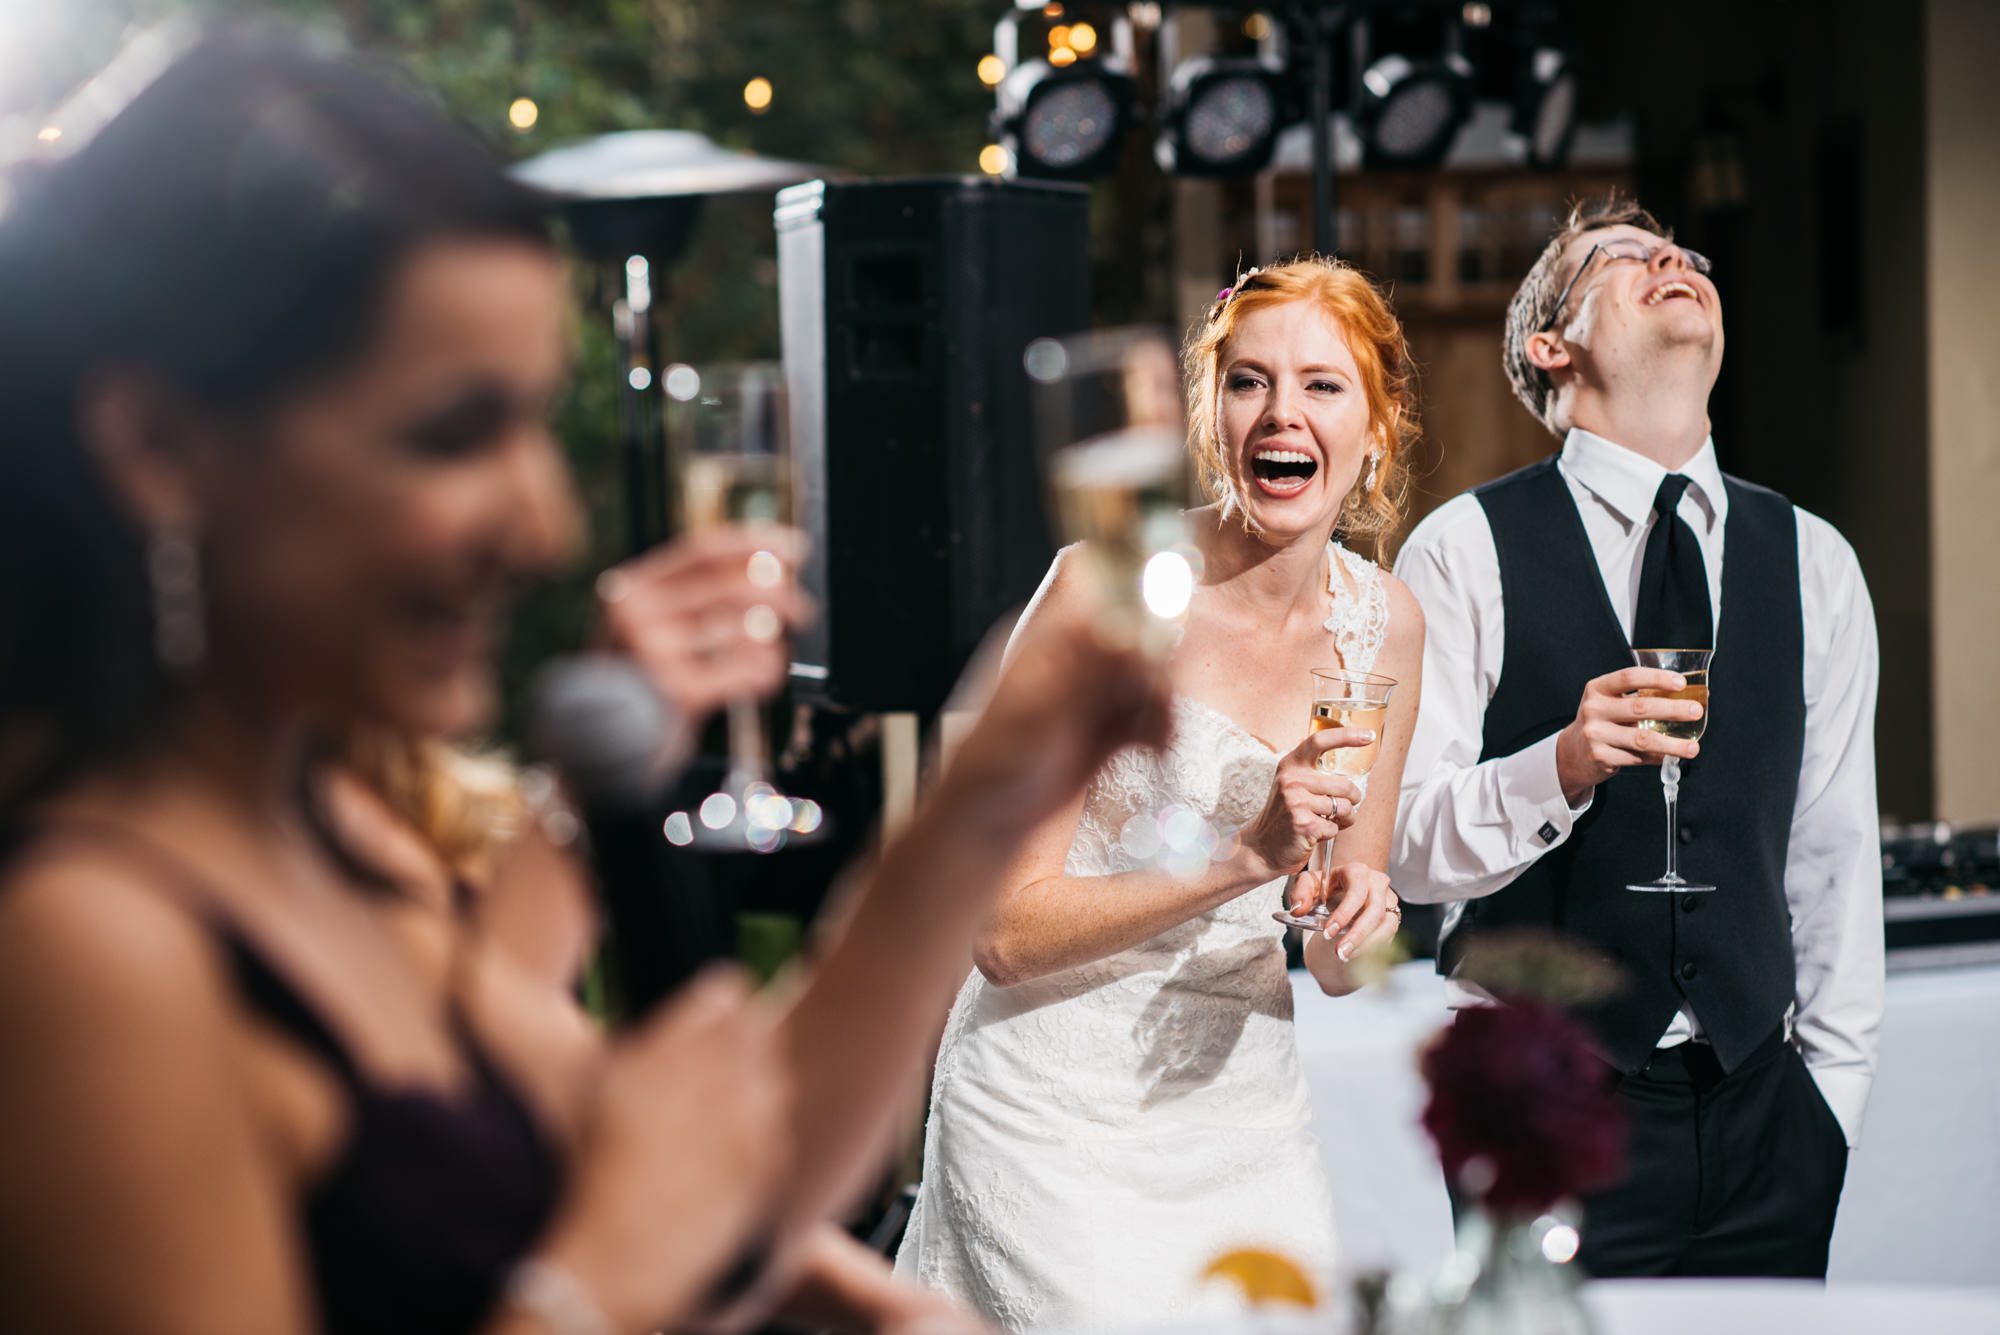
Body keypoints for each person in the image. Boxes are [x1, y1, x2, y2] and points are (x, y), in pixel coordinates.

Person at [0, 27, 1168, 1334]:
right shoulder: (79, 944)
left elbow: (739, 1167)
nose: (547, 526)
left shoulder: (331, 830)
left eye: (535, 426)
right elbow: (647, 1217)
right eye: (453, 434)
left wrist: (988, 792)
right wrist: (601, 1271)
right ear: (158, 442)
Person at [896, 257, 1427, 1329]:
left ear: (1375, 426)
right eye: (1247, 381)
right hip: (1045, 1110)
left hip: (1243, 1115)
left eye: (1322, 385)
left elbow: (1338, 941)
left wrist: (1360, 924)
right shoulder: (1104, 591)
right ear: (1209, 413)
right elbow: (999, 932)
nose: (1282, 412)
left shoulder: (1390, 625)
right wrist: (1238, 858)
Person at [1390, 197, 1883, 1277]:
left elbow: (1832, 853)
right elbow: (1407, 855)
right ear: (1547, 346)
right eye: (1616, 260)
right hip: (1544, 1114)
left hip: (1767, 1120)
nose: (1670, 258)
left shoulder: (1814, 563)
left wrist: (1827, 1109)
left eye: (1682, 254)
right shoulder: (1461, 553)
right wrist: (1554, 767)